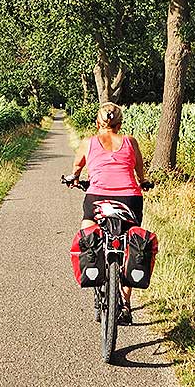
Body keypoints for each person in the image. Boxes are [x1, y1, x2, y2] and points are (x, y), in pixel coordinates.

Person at [66, 102, 148, 324]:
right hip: (130, 199)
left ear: (97, 123)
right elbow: (139, 170)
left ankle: (95, 265)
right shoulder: (130, 142)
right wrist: (144, 182)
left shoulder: (88, 143)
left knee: (88, 230)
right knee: (131, 242)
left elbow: (76, 169)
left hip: (97, 198)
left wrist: (73, 179)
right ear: (119, 124)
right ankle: (126, 304)